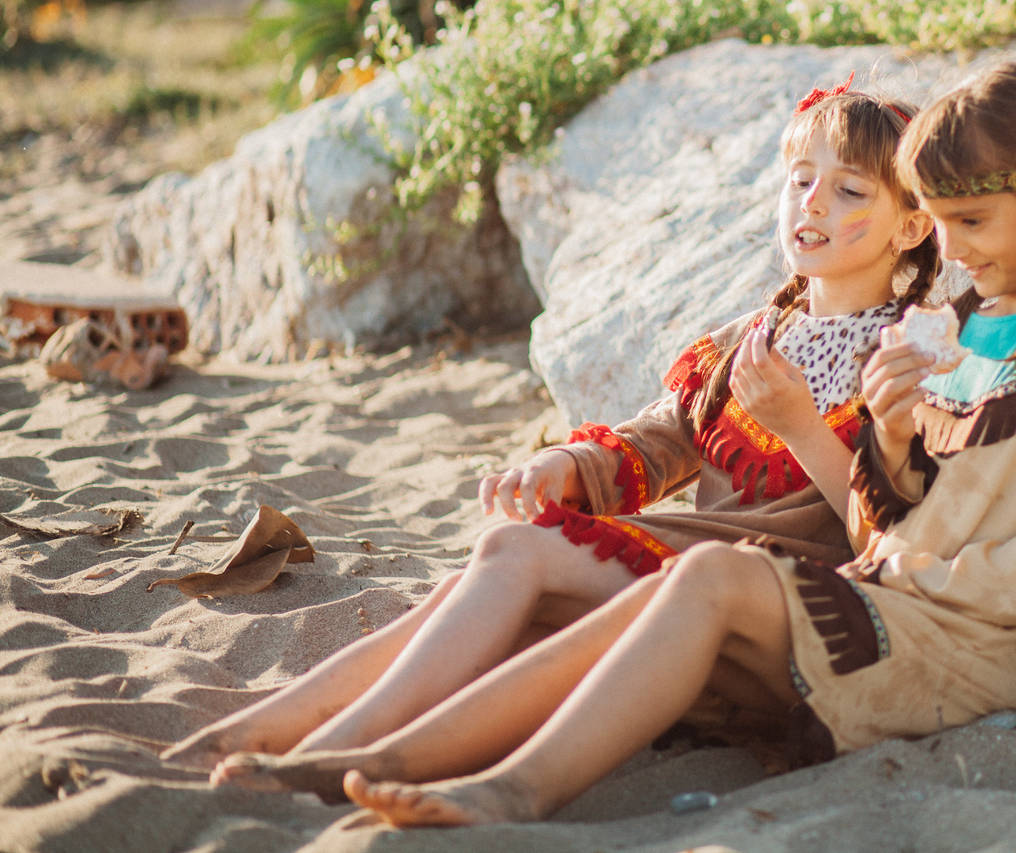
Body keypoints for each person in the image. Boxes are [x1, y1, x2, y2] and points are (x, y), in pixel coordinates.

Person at [211, 61, 1016, 828]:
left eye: (969, 223)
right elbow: (889, 509)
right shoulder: (947, 331)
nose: (954, 247)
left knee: (686, 574)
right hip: (879, 594)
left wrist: (904, 554)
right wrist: (896, 443)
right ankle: (365, 750)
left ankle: (497, 781)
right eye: (947, 224)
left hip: (960, 636)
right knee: (558, 573)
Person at [165, 82, 937, 774]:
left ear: (910, 227)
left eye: (847, 190)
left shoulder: (905, 357)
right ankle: (278, 725)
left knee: (513, 549)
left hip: (778, 605)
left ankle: (344, 745)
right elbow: (658, 438)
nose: (811, 203)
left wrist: (803, 426)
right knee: (504, 582)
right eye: (801, 180)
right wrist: (566, 465)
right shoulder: (750, 337)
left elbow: (894, 532)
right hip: (679, 581)